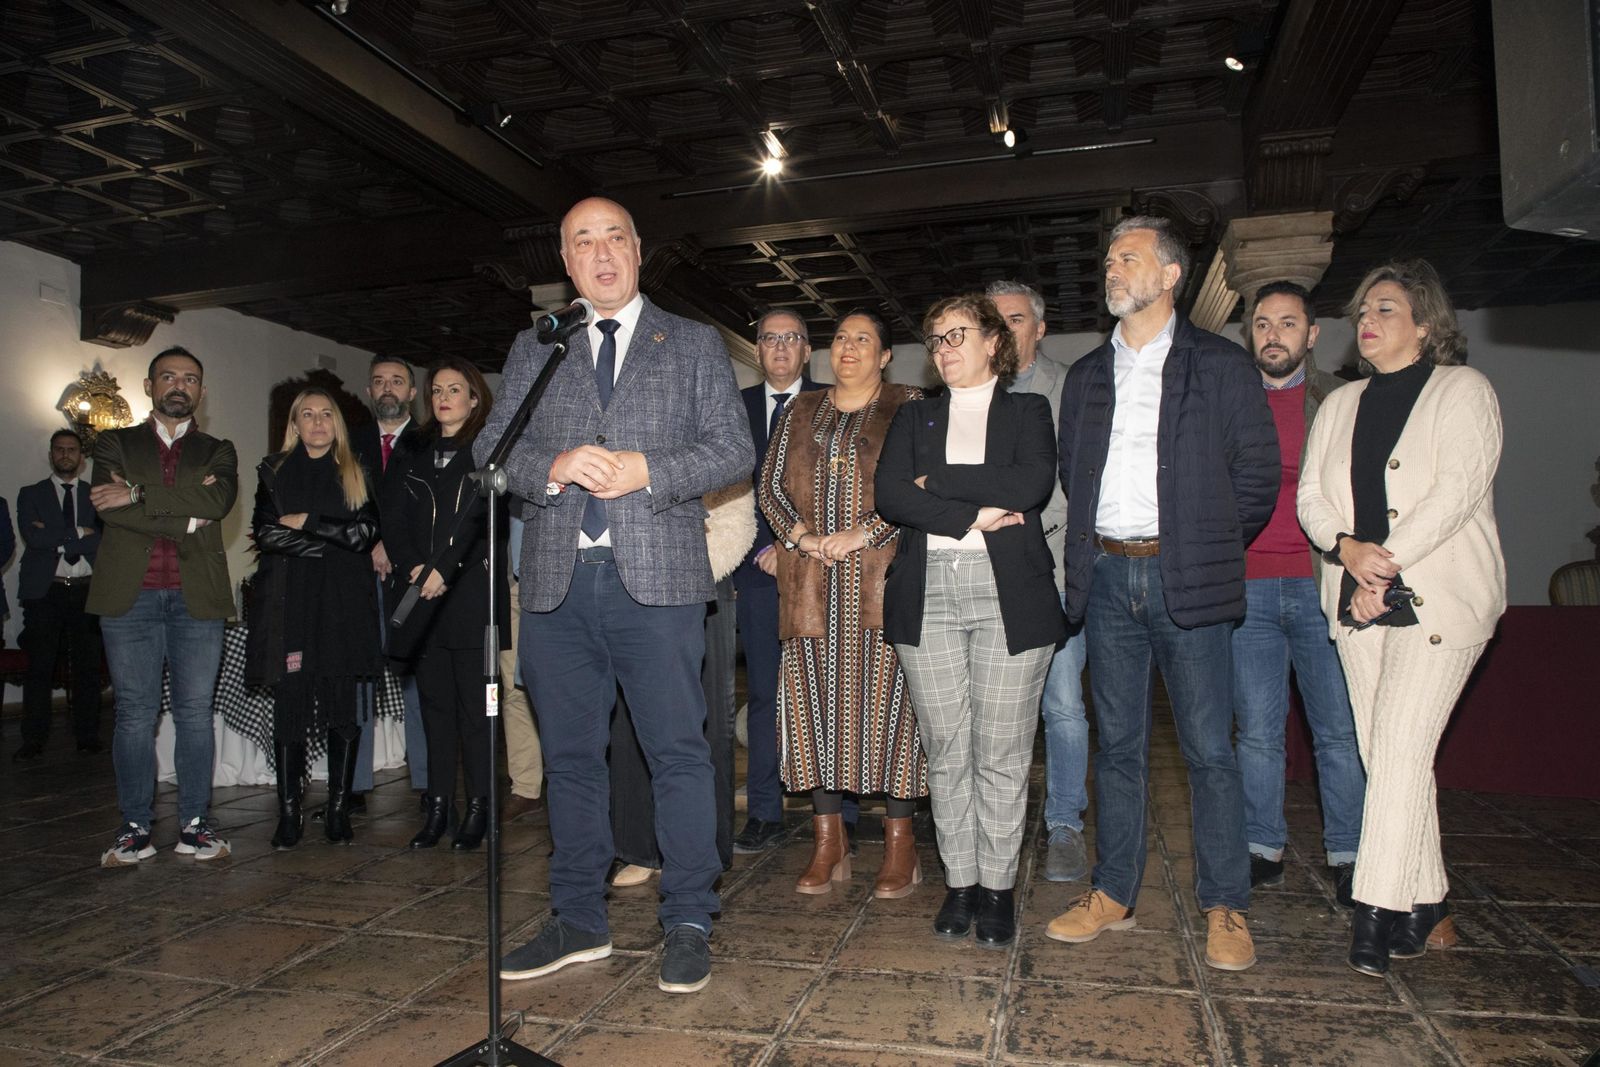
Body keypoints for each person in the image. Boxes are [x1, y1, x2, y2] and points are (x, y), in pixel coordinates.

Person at [483, 197, 753, 995]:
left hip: (660, 579)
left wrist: (650, 471)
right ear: (566, 264)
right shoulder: (538, 346)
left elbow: (732, 446)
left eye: (613, 239)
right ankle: (578, 918)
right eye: (582, 243)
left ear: (639, 251)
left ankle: (690, 917)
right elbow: (494, 448)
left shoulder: (694, 342)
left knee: (678, 752)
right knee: (569, 758)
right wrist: (555, 464)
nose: (600, 254)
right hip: (558, 584)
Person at [1047, 216, 1278, 972]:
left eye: (1129, 257)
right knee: (1115, 748)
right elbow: (1071, 475)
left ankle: (1225, 904)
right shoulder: (1085, 376)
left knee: (1211, 750)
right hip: (1108, 578)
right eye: (1108, 257)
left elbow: (1256, 478)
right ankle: (1113, 890)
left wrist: (1202, 542)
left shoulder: (1221, 365)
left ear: (1171, 274)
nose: (1112, 267)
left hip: (1190, 578)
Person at [1297, 259, 1505, 977]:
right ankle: (1427, 900)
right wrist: (1347, 552)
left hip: (1438, 602)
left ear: (1425, 323)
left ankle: (1374, 910)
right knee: (1389, 756)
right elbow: (1312, 500)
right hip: (1356, 605)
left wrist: (1377, 565)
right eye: (1364, 309)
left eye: (1386, 308)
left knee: (1401, 751)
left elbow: (1455, 495)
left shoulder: (1463, 391)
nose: (1369, 319)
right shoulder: (1339, 403)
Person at [877, 294, 1065, 948]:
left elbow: (1032, 484)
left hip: (1008, 590)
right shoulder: (914, 416)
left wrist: (939, 486)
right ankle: (960, 882)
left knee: (1003, 752)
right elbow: (891, 494)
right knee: (948, 747)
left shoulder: (1029, 410)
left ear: (993, 342)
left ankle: (998, 888)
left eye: (958, 334)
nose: (945, 347)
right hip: (928, 592)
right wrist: (973, 512)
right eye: (935, 338)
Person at [759, 309, 929, 900]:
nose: (848, 347)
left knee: (893, 715)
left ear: (885, 355)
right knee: (815, 714)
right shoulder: (799, 411)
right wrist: (801, 539)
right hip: (809, 584)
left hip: (884, 584)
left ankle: (900, 849)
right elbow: (770, 486)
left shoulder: (912, 404)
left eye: (863, 339)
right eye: (840, 338)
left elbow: (923, 483)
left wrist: (867, 533)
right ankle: (829, 843)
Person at [1234, 282, 1365, 898]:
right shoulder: (1230, 403)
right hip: (1249, 589)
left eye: (1288, 323)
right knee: (1257, 731)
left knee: (1336, 730)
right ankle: (1262, 846)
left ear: (1311, 336)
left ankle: (1350, 853)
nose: (1274, 334)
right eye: (1262, 324)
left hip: (1323, 587)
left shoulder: (1344, 402)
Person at [91, 346, 239, 866]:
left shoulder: (219, 450)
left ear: (201, 390)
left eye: (191, 378)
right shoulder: (113, 442)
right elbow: (109, 511)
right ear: (149, 385)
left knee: (196, 715)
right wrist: (185, 515)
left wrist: (135, 493)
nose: (180, 384)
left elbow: (216, 503)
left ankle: (196, 825)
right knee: (134, 715)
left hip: (197, 597)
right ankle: (134, 828)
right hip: (128, 598)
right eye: (169, 376)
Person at [985, 280, 1090, 882]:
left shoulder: (1072, 387)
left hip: (1052, 566)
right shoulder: (970, 391)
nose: (1005, 330)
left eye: (1017, 319)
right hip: (982, 570)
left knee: (1063, 704)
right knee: (995, 709)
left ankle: (1065, 824)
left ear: (1040, 328)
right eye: (995, 321)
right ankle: (998, 820)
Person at [248, 388, 382, 847]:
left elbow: (365, 533)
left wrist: (306, 523)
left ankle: (340, 809)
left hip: (343, 606)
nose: (318, 422)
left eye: (326, 414)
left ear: (337, 424)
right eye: (308, 415)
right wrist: (332, 543)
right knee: (291, 709)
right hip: (292, 605)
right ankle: (290, 814)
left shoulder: (356, 470)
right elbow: (265, 534)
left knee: (342, 710)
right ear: (295, 424)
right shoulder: (274, 470)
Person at [606, 478, 757, 883]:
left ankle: (699, 852)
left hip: (703, 583)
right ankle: (638, 848)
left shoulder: (712, 423)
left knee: (701, 726)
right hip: (632, 583)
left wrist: (684, 571)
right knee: (630, 722)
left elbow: (737, 518)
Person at [384, 357, 507, 852]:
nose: (444, 397)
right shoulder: (411, 451)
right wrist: (415, 567)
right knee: (434, 710)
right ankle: (438, 807)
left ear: (474, 399)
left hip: (470, 596)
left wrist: (443, 570)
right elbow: (391, 516)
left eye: (455, 389)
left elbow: (485, 522)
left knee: (478, 712)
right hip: (420, 596)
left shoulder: (491, 451)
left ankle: (480, 807)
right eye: (437, 390)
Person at [732, 310, 826, 854]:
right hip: (756, 576)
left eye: (792, 338)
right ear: (758, 349)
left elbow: (841, 488)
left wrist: (789, 545)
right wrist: (756, 552)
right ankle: (765, 814)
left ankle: (836, 815)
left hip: (819, 569)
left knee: (829, 693)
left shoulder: (834, 402)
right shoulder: (735, 408)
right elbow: (725, 490)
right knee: (765, 696)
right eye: (770, 338)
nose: (781, 347)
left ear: (807, 350)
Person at [352, 356, 430, 805]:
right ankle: (357, 784)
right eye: (379, 381)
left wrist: (392, 547)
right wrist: (368, 544)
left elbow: (431, 512)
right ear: (368, 390)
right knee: (360, 679)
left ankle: (425, 783)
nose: (387, 389)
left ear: (412, 393)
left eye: (397, 381)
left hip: (413, 580)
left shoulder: (429, 441)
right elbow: (342, 504)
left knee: (419, 684)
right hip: (359, 579)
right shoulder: (351, 442)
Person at [14, 430, 103, 760]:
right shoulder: (31, 494)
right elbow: (33, 539)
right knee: (39, 668)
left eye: (72, 450)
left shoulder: (96, 496)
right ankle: (33, 739)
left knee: (88, 668)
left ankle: (87, 736)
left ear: (82, 458)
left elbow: (102, 541)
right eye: (60, 449)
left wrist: (56, 537)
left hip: (87, 591)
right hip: (45, 593)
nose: (66, 455)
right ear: (51, 455)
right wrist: (81, 532)